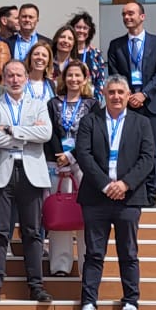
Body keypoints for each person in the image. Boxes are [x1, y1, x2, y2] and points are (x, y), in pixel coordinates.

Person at [73, 75, 156, 310]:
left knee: (128, 253)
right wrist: (105, 184)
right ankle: (89, 305)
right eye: (111, 92)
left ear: (128, 93)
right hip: (95, 197)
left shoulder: (141, 123)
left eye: (121, 92)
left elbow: (148, 158)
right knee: (94, 254)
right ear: (104, 93)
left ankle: (131, 304)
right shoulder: (90, 121)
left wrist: (124, 184)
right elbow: (84, 155)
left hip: (129, 198)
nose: (116, 97)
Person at [0, 61, 55, 304]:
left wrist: (12, 130)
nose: (14, 79)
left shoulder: (39, 105)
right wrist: (26, 134)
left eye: (19, 75)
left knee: (33, 232)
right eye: (10, 75)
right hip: (1, 172)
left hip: (30, 172)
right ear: (3, 78)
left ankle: (36, 285)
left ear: (26, 78)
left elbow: (45, 134)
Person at [46, 61, 96, 277]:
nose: (74, 79)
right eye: (70, 75)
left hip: (83, 162)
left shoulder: (93, 104)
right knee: (60, 212)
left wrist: (72, 155)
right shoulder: (53, 103)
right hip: (57, 162)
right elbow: (50, 132)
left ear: (85, 79)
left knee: (85, 215)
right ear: (63, 78)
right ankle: (60, 265)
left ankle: (88, 266)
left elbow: (93, 133)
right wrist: (60, 155)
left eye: (78, 75)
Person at [108, 1, 156, 155]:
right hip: (126, 104)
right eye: (124, 14)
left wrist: (144, 94)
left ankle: (151, 181)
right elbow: (115, 75)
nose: (126, 17)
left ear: (142, 16)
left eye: (130, 13)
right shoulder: (116, 45)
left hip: (151, 103)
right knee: (128, 149)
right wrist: (128, 95)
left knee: (150, 149)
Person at [65, 12, 107, 88]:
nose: (81, 30)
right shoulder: (65, 52)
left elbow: (100, 81)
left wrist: (96, 99)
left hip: (90, 97)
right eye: (78, 27)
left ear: (89, 31)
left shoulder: (95, 54)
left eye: (85, 28)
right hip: (67, 96)